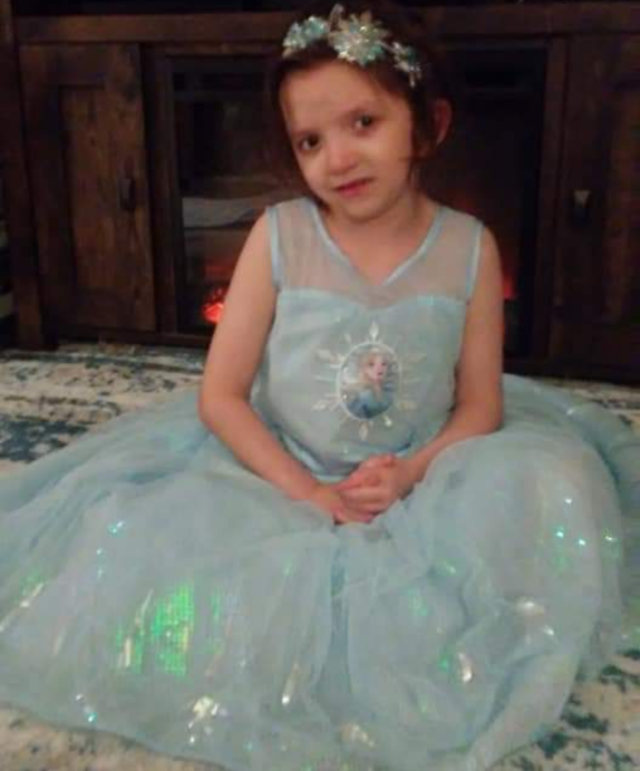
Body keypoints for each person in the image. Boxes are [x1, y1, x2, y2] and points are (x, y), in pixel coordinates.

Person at [0, 2, 637, 771]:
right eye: (310, 140)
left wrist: (411, 472)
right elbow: (221, 396)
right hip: (279, 464)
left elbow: (480, 405)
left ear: (427, 124)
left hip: (420, 470)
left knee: (522, 523)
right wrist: (307, 491)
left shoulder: (469, 248)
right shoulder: (279, 236)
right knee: (162, 571)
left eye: (363, 123)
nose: (338, 158)